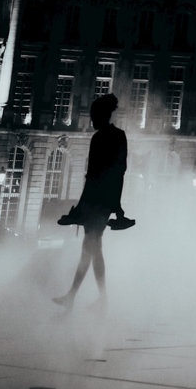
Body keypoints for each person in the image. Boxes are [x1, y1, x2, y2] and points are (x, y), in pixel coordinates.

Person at [53, 94, 134, 309]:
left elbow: (92, 176)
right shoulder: (120, 136)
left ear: (100, 116)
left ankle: (87, 298)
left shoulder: (99, 139)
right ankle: (90, 298)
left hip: (96, 201)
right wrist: (116, 207)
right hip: (106, 202)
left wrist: (79, 209)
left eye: (93, 116)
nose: (91, 120)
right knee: (92, 248)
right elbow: (120, 173)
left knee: (90, 248)